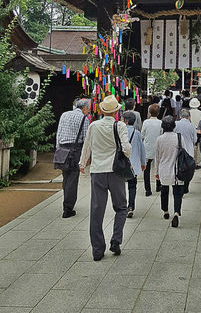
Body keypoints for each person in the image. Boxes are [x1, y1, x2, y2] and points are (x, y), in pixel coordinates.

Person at [79, 95, 131, 260]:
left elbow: (87, 146)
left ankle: (97, 250)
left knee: (96, 211)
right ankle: (116, 239)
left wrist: (82, 164)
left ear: (101, 110)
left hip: (98, 171)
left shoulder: (93, 126)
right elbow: (126, 148)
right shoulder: (120, 125)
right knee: (121, 207)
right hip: (115, 172)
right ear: (116, 111)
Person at [55, 97, 90, 218]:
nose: (89, 111)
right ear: (84, 108)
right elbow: (86, 139)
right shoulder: (84, 119)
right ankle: (68, 208)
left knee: (66, 177)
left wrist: (58, 149)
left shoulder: (64, 115)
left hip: (62, 149)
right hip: (75, 150)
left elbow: (58, 133)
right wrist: (87, 156)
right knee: (73, 178)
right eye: (88, 109)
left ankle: (66, 203)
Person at [154, 115, 186, 227]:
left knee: (164, 191)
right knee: (177, 192)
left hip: (164, 169)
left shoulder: (159, 139)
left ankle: (165, 211)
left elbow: (157, 157)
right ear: (174, 125)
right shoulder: (179, 137)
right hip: (177, 169)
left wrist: (156, 172)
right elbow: (184, 153)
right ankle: (176, 212)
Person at [122, 111, 146, 218]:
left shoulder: (120, 132)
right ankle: (131, 206)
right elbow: (142, 149)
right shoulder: (137, 133)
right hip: (133, 165)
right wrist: (143, 162)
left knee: (120, 185)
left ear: (126, 121)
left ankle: (122, 205)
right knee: (132, 186)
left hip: (121, 164)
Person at [141, 103, 162, 196]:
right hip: (158, 147)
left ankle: (148, 190)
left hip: (147, 147)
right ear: (158, 113)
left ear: (149, 112)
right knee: (158, 167)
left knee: (147, 169)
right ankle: (158, 186)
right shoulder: (161, 123)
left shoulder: (146, 122)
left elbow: (142, 134)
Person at [174, 108, 197, 193]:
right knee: (188, 169)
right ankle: (186, 187)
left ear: (180, 116)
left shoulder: (175, 124)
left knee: (178, 167)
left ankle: (178, 184)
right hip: (188, 151)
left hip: (177, 150)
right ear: (189, 117)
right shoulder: (192, 126)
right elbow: (195, 139)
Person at [189, 97, 201, 168]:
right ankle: (197, 162)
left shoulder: (188, 113)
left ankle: (191, 161)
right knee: (197, 147)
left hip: (190, 131)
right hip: (198, 131)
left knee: (191, 146)